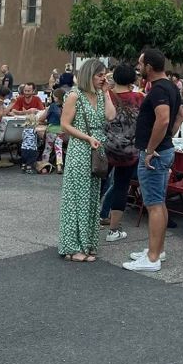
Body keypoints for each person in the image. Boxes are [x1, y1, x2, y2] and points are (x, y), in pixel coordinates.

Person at [124, 49, 182, 273]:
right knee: (159, 202)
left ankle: (152, 257)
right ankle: (157, 249)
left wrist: (150, 149)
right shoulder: (170, 87)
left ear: (148, 66)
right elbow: (177, 115)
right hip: (163, 150)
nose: (138, 68)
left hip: (155, 153)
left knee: (154, 204)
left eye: (140, 64)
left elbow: (164, 118)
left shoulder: (159, 89)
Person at [58, 59, 115, 263]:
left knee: (91, 199)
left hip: (96, 151)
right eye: (100, 75)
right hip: (81, 150)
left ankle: (88, 244)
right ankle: (72, 247)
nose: (103, 79)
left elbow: (110, 116)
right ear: (89, 75)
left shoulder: (100, 95)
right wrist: (87, 137)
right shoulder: (75, 95)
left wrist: (107, 92)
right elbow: (65, 125)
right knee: (77, 199)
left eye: (105, 75)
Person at [99, 64, 143, 243]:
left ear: (113, 77)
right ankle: (114, 229)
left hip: (106, 147)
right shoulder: (140, 97)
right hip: (129, 150)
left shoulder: (105, 96)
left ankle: (90, 222)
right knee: (121, 187)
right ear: (132, 80)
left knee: (98, 184)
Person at [40, 88, 66, 173]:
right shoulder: (65, 106)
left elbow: (42, 119)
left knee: (48, 148)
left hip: (51, 130)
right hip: (61, 131)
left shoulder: (52, 106)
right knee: (58, 148)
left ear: (57, 97)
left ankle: (44, 166)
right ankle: (59, 166)